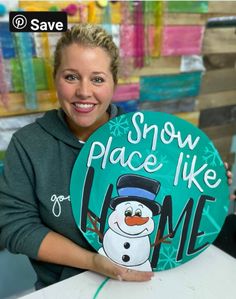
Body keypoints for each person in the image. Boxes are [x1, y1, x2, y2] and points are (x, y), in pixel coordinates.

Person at [0, 23, 234, 290]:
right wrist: (92, 261)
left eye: (97, 79)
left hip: (152, 281)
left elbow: (179, 194)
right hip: (65, 288)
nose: (84, 92)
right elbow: (16, 229)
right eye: (71, 77)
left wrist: (211, 188)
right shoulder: (29, 144)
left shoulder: (147, 137)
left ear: (114, 83)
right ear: (55, 78)